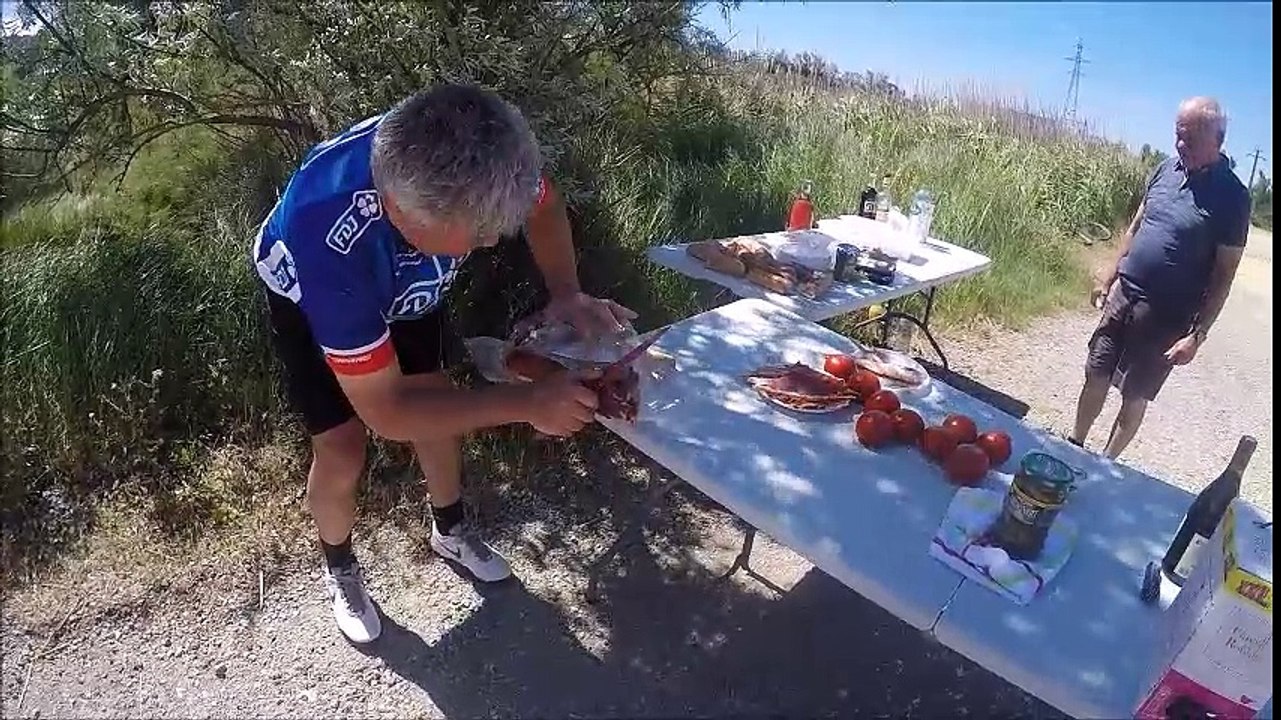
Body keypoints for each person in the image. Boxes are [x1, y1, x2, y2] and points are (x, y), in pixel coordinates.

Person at [251, 84, 636, 644]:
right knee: (343, 446)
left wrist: (567, 293)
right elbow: (388, 411)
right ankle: (339, 566)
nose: (485, 246)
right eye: (476, 236)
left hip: (402, 284)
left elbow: (545, 205)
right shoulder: (326, 243)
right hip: (308, 295)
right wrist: (529, 403)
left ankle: (449, 528)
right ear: (402, 211)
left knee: (439, 400)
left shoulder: (482, 162)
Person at [1069, 96, 1250, 458]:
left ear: (1218, 139)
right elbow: (1135, 227)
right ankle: (1074, 443)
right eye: (1177, 135)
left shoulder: (1234, 197)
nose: (1181, 145)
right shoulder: (1164, 170)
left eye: (1191, 139)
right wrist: (1109, 277)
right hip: (1125, 293)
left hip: (1168, 314)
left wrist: (1197, 336)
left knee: (1135, 394)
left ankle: (1105, 465)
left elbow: (1224, 274)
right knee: (1096, 370)